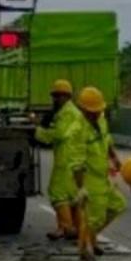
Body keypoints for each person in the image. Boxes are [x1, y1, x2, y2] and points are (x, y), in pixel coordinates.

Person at [70, 86, 124, 261]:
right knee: (93, 218)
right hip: (89, 179)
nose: (95, 114)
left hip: (102, 175)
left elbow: (106, 140)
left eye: (98, 110)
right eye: (91, 112)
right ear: (82, 109)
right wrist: (81, 188)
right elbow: (76, 163)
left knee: (118, 205)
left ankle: (91, 239)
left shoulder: (101, 120)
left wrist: (114, 157)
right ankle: (84, 251)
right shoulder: (77, 130)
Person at [33, 79, 83, 243]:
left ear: (66, 96)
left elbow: (59, 135)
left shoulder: (68, 113)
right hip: (73, 159)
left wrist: (37, 131)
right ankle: (68, 228)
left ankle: (68, 228)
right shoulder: (67, 112)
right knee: (72, 196)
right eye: (54, 95)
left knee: (57, 194)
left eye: (58, 96)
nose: (55, 99)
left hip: (67, 160)